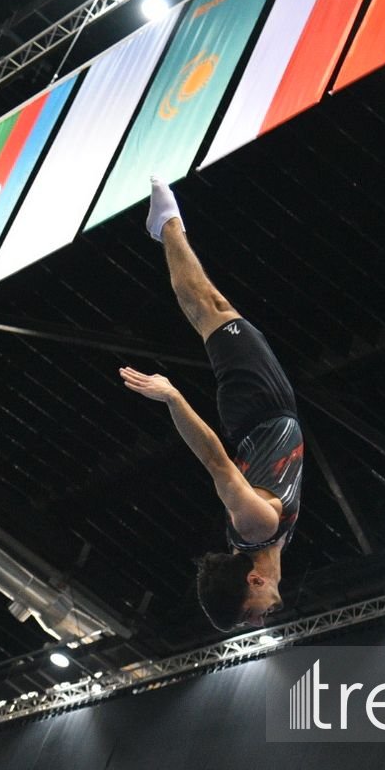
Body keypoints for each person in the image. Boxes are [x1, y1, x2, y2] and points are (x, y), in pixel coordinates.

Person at [121, 177, 303, 632]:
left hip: (259, 406)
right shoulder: (263, 545)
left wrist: (174, 398)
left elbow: (217, 464)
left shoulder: (256, 527)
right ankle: (165, 226)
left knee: (209, 309)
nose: (259, 618)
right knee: (213, 308)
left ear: (254, 581)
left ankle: (166, 225)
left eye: (249, 612)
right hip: (265, 410)